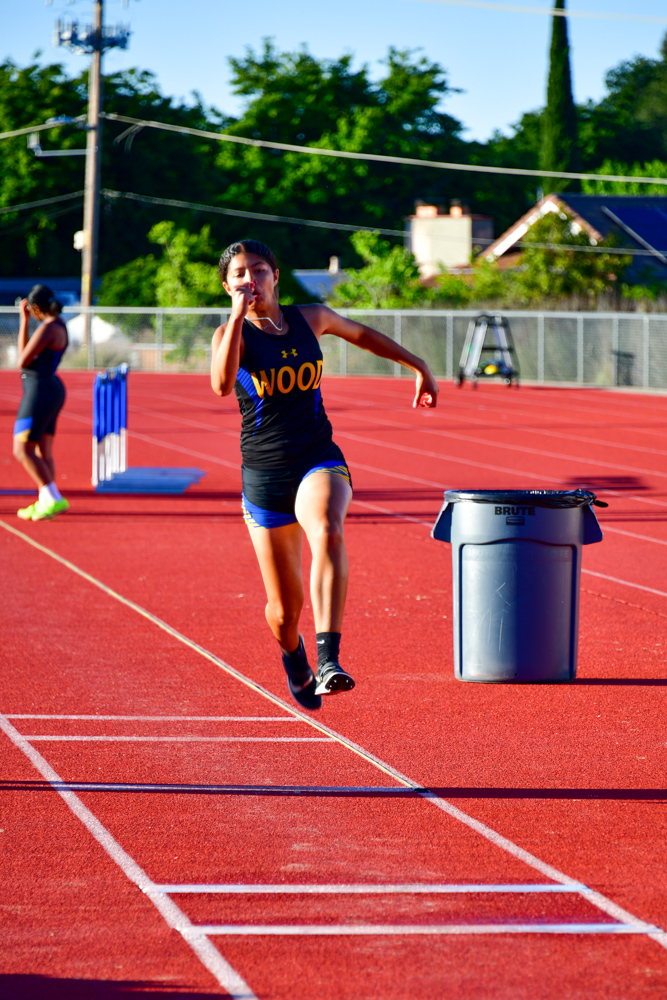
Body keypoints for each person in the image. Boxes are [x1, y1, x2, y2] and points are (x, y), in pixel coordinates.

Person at [211, 240, 438, 710]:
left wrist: (417, 364)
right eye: (239, 274)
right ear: (228, 286)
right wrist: (236, 318)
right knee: (283, 612)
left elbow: (360, 334)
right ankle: (294, 656)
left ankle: (329, 660)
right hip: (265, 475)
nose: (250, 280)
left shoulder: (310, 318)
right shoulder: (230, 335)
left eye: (259, 270)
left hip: (318, 456)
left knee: (328, 527)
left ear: (275, 275)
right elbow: (220, 383)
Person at [13, 284, 70, 521]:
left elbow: (22, 360)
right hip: (50, 390)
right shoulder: (60, 324)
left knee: (22, 450)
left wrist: (24, 322)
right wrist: (27, 320)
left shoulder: (47, 328)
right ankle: (45, 501)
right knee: (42, 451)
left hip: (40, 391)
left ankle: (53, 497)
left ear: (35, 308)